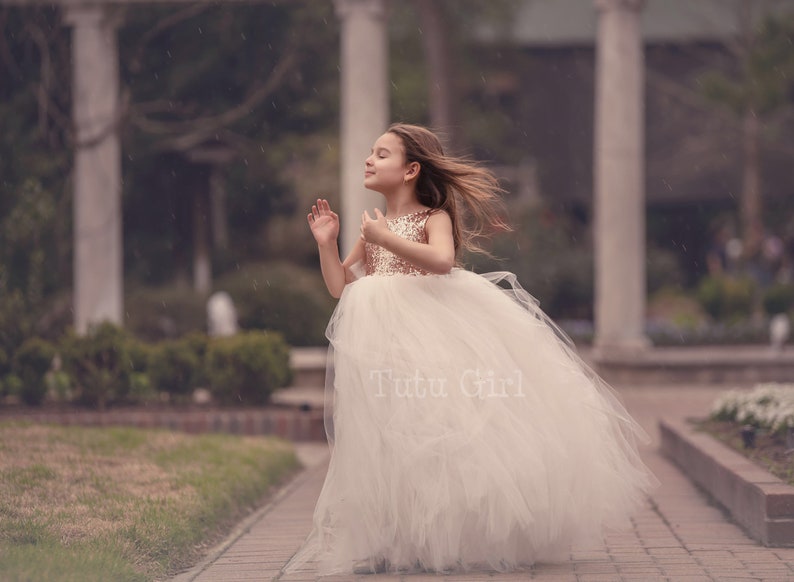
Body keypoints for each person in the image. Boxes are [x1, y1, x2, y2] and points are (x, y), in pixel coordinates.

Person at [289, 123, 656, 576]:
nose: (369, 159)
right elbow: (340, 286)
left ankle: (446, 531)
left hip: (431, 338)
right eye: (371, 152)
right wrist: (327, 244)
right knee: (388, 432)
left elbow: (442, 261)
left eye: (381, 154)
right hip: (383, 341)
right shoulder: (373, 228)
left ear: (411, 170)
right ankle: (396, 535)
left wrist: (385, 238)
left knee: (434, 427)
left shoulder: (431, 218)